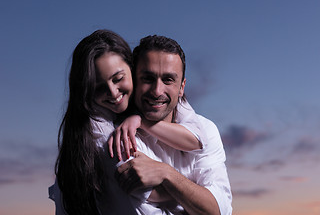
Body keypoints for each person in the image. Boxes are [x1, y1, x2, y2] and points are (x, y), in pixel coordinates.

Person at [49, 29, 207, 214]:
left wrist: (141, 121)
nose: (113, 92)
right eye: (99, 87)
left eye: (118, 79)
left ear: (132, 70)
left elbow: (197, 140)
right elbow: (146, 191)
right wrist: (193, 189)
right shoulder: (103, 134)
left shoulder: (161, 100)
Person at [115, 35, 233, 214]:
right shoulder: (121, 135)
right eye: (147, 78)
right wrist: (195, 190)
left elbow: (218, 209)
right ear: (134, 80)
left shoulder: (206, 129)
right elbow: (142, 207)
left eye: (168, 80)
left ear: (182, 87)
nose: (157, 91)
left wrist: (166, 173)